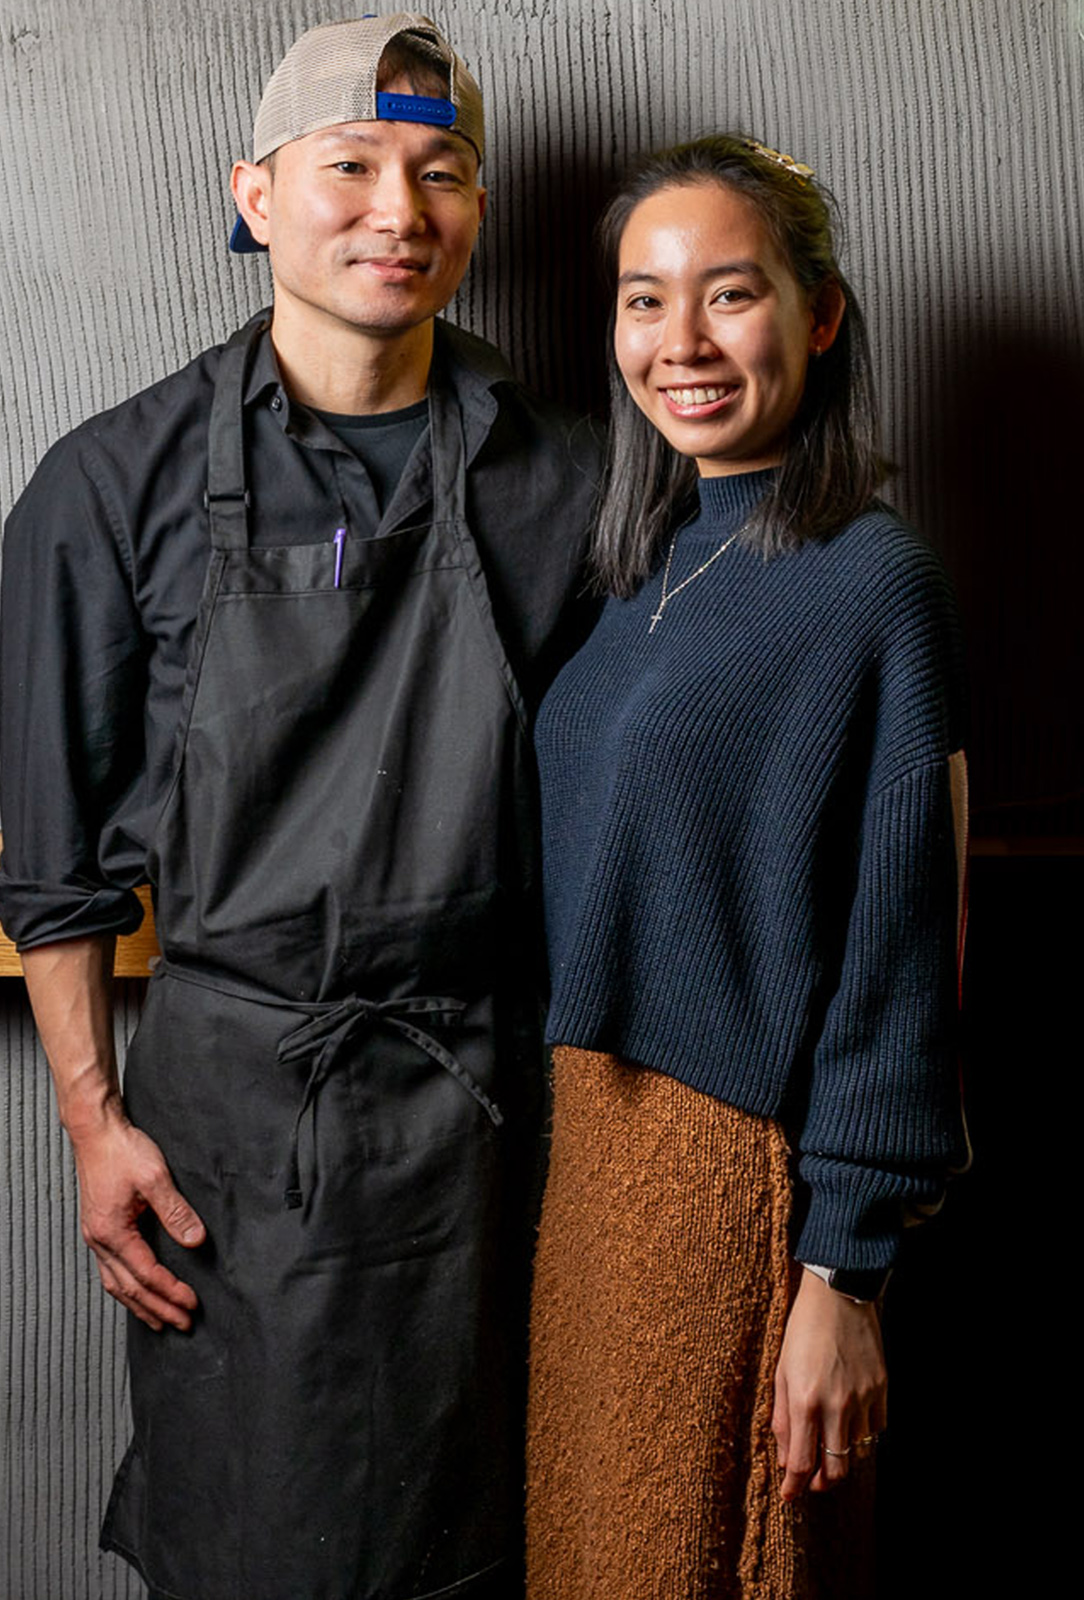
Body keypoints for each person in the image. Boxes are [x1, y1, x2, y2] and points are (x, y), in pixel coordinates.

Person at [0, 14, 599, 1598]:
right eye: (353, 166)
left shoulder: (575, 481)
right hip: (235, 1121)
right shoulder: (106, 486)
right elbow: (58, 874)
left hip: (491, 1111)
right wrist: (91, 1124)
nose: (399, 208)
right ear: (256, 196)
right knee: (260, 1536)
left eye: (439, 173)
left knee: (493, 1540)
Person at [525, 134, 966, 1599]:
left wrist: (842, 1279)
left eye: (730, 295)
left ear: (820, 313)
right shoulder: (643, 560)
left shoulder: (869, 579)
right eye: (645, 302)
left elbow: (900, 950)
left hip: (733, 1180)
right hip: (592, 1159)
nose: (682, 343)